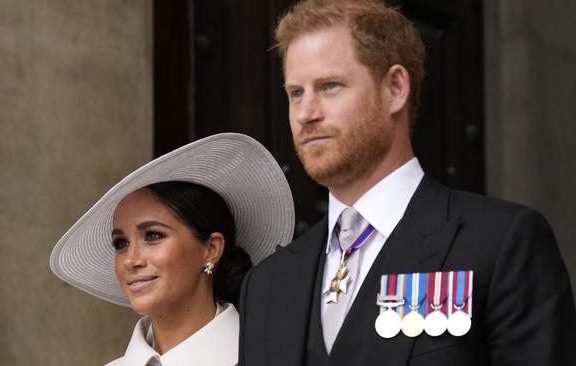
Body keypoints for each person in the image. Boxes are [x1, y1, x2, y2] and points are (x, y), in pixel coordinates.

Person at [238, 1, 576, 365]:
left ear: (395, 89)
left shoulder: (502, 244)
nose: (306, 113)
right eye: (296, 93)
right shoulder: (266, 285)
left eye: (330, 86)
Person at [50, 133, 294, 366]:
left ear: (211, 248)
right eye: (121, 243)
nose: (130, 260)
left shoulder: (272, 357)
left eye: (153, 235)